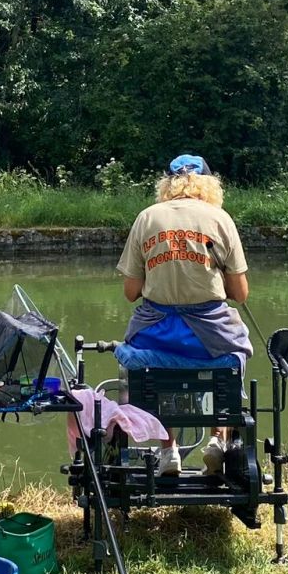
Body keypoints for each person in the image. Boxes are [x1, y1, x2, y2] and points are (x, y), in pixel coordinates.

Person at [116, 154, 253, 476]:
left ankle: (169, 451)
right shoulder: (220, 219)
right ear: (209, 185)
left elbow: (130, 292)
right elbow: (241, 294)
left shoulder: (147, 218)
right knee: (238, 348)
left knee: (154, 372)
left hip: (156, 336)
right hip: (209, 339)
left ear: (167, 184)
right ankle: (217, 440)